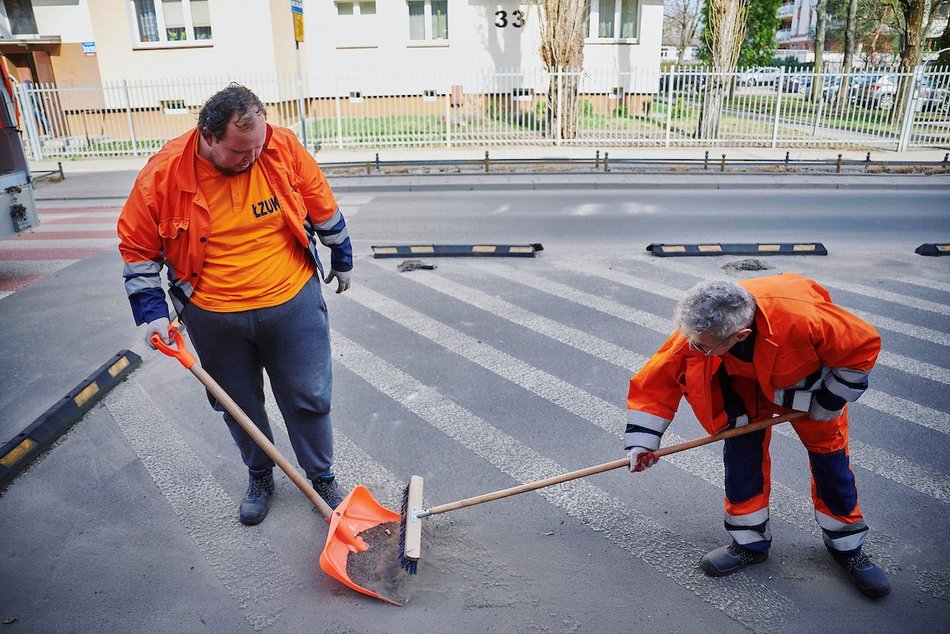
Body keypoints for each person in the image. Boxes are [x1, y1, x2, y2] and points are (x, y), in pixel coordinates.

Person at [117, 83, 353, 526]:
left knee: (309, 396)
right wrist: (152, 315)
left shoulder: (280, 148)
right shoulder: (163, 174)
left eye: (258, 147)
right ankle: (260, 474)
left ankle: (321, 477)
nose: (252, 158)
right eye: (240, 151)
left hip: (291, 299)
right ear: (208, 136)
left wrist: (342, 257)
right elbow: (138, 250)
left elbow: (321, 204)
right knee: (236, 404)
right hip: (213, 313)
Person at [625, 273, 890, 599]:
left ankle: (846, 545)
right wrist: (643, 441)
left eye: (703, 346)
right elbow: (658, 377)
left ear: (740, 335)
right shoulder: (703, 326)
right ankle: (748, 542)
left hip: (807, 389)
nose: (694, 348)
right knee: (741, 457)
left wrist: (830, 401)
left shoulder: (802, 317)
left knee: (830, 460)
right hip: (744, 387)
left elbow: (862, 345)